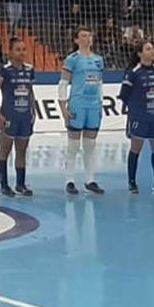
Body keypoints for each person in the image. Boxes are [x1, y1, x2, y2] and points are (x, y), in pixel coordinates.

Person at [119, 41, 154, 194]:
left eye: (153, 48)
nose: (152, 51)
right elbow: (124, 94)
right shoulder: (133, 72)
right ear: (140, 54)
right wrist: (135, 108)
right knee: (136, 148)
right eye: (148, 49)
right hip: (139, 116)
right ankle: (131, 182)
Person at [60, 26, 107, 195]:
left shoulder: (99, 60)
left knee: (90, 145)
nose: (88, 38)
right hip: (77, 104)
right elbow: (63, 84)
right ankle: (70, 181)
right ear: (76, 40)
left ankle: (90, 180)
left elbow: (100, 83)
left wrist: (101, 104)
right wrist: (63, 107)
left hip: (93, 106)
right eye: (84, 36)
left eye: (89, 35)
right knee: (73, 145)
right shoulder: (72, 59)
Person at [0, 38, 37, 197]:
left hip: (25, 116)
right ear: (10, 52)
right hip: (9, 114)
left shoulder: (29, 69)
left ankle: (20, 184)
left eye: (24, 49)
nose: (22, 52)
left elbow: (30, 91)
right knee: (5, 149)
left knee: (22, 151)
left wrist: (34, 110)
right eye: (18, 49)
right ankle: (4, 185)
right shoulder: (4, 70)